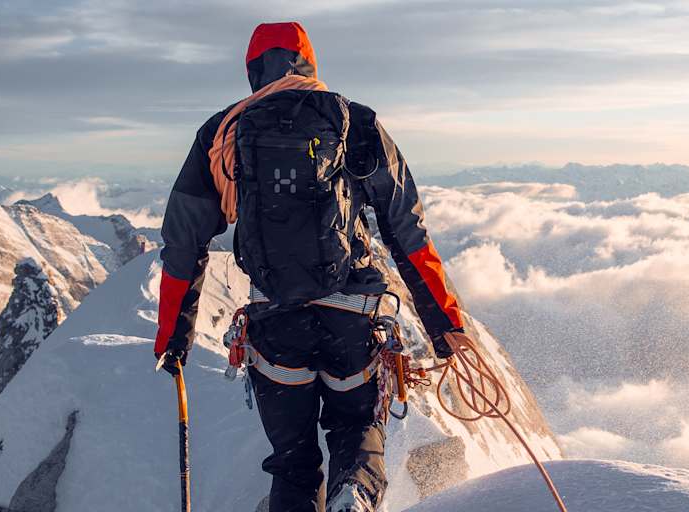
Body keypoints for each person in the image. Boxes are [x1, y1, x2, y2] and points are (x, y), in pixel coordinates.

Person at [152, 21, 474, 512]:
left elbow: (182, 242)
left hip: (275, 324)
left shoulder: (223, 133)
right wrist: (444, 323)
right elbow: (405, 229)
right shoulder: (354, 122)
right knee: (356, 430)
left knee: (294, 463)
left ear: (251, 71)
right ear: (311, 63)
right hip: (352, 315)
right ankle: (356, 496)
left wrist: (173, 341)